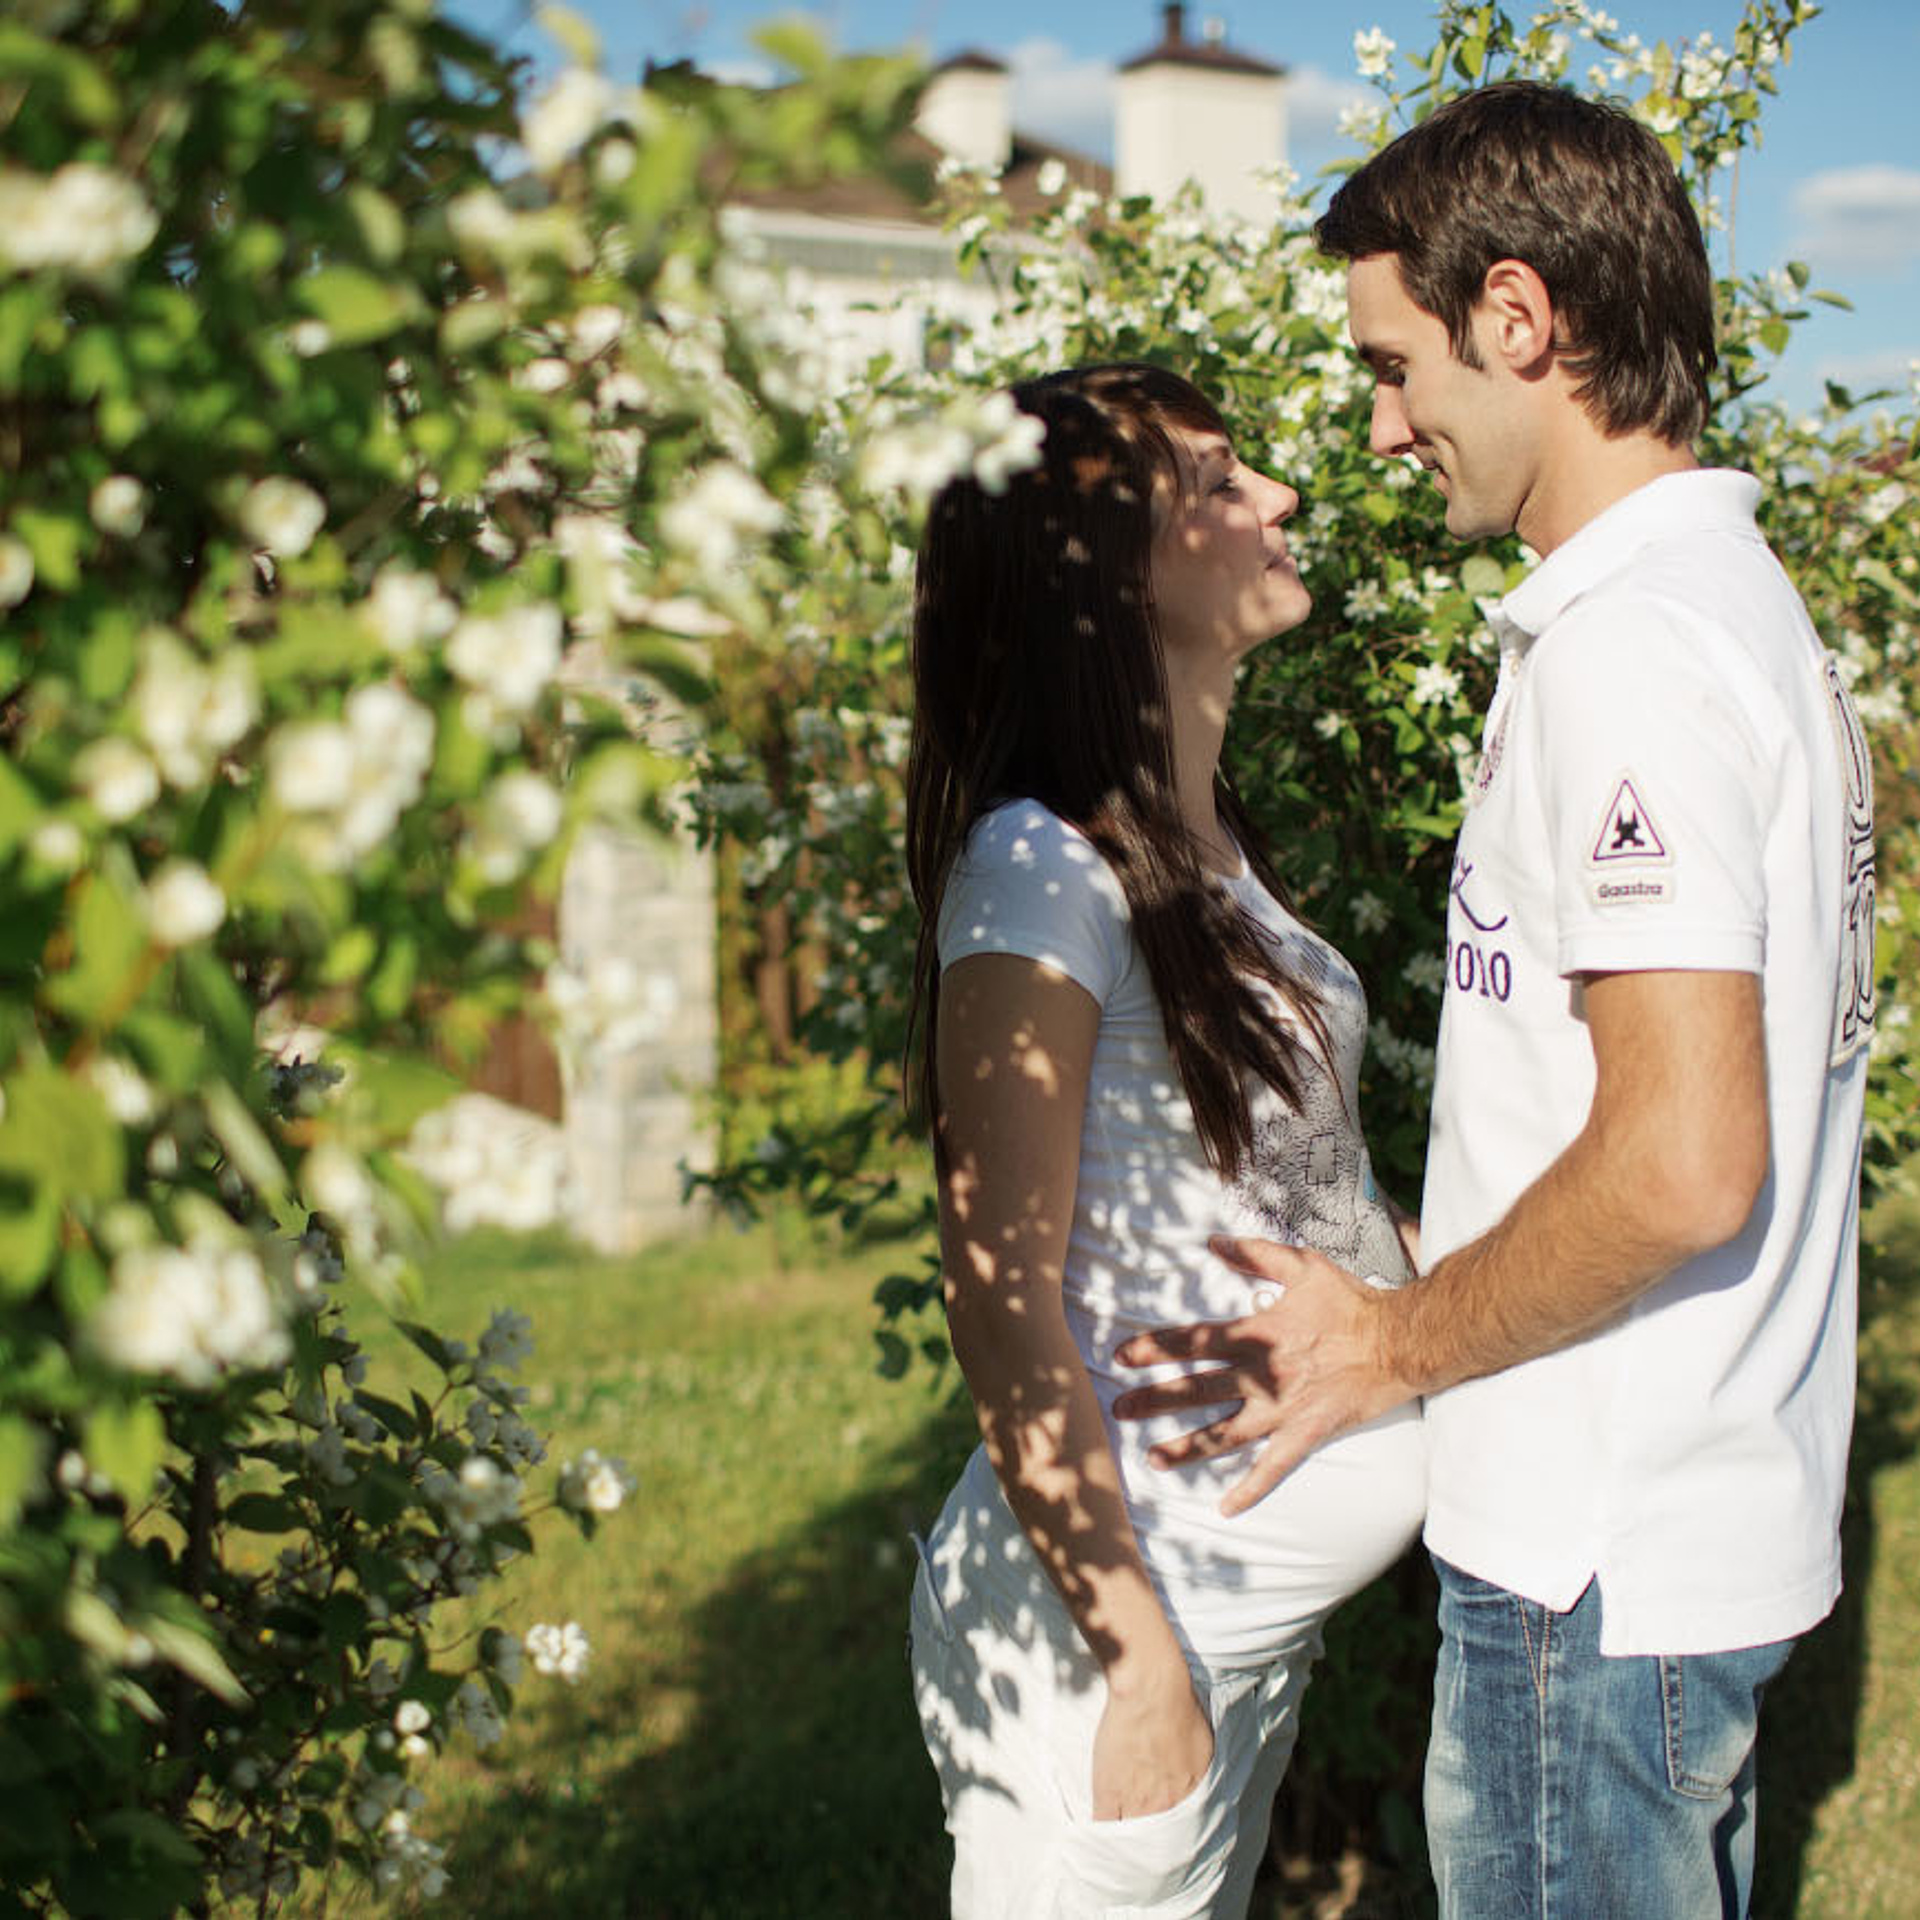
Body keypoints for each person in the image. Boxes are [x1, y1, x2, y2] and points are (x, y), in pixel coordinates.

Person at [1112, 81, 1877, 1918]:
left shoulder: (1635, 655)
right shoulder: (1726, 609)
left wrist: (1389, 1344)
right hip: (1675, 1527)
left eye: (1397, 367)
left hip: (1589, 1566)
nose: (1381, 428)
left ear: (1519, 319)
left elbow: (1683, 1159)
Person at [903, 363, 1427, 1919]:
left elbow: (1306, 1197)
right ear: (1104, 579)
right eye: (1216, 482)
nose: (1280, 496)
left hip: (1231, 1637)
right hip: (1116, 1648)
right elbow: (998, 1295)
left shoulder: (1215, 850)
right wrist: (1136, 1666)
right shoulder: (1038, 868)